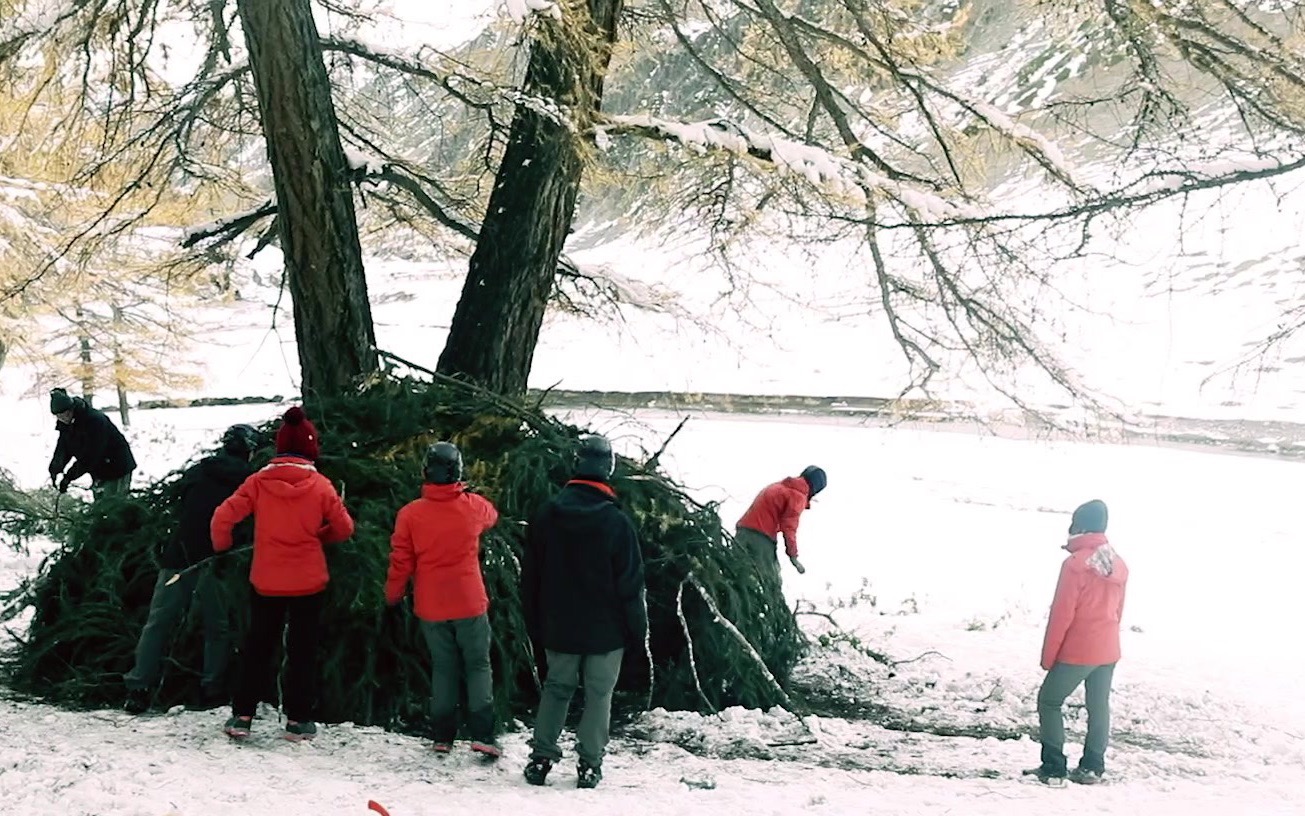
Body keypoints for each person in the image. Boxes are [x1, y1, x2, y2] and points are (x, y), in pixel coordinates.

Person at [210, 406, 354, 741]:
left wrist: (223, 548)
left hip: (266, 580)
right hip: (308, 582)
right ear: (310, 449)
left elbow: (222, 518)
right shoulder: (321, 486)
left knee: (258, 645)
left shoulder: (258, 482)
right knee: (302, 650)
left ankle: (242, 716)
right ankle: (297, 721)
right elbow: (344, 528)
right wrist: (321, 536)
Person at [520, 434, 647, 789]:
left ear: (577, 464)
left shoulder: (547, 513)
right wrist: (637, 632)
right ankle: (589, 765)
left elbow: (530, 576)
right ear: (609, 469)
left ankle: (541, 757)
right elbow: (631, 585)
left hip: (558, 625)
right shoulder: (617, 523)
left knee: (557, 688)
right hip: (606, 632)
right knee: (598, 696)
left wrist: (535, 622)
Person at [123, 424, 258, 714]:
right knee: (217, 626)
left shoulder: (199, 470)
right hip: (214, 560)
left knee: (158, 623)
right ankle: (212, 689)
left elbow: (181, 506)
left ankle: (138, 688)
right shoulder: (249, 481)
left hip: (178, 556)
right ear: (249, 450)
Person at [385, 441, 501, 757]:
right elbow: (492, 515)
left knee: (444, 668)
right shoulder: (473, 506)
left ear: (426, 472)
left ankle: (443, 736)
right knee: (477, 665)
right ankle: (483, 735)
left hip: (431, 605)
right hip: (469, 601)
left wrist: (393, 595)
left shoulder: (410, 515)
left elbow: (401, 561)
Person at [1026, 499, 1129, 786]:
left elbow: (1061, 615)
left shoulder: (1074, 565)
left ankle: (1054, 767)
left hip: (1079, 649)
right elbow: (1119, 611)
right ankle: (1093, 767)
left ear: (1079, 526)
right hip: (1108, 648)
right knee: (1098, 706)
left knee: (1049, 701)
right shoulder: (1118, 563)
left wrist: (1049, 658)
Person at [735, 465, 827, 581]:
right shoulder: (797, 495)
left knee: (736, 571)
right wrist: (793, 556)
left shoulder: (781, 486)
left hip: (743, 530)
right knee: (771, 581)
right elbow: (789, 527)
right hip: (761, 537)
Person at [47, 387, 136, 499]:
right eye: (58, 416)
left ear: (71, 409)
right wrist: (55, 469)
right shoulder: (66, 425)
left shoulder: (94, 420)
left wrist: (69, 477)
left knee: (113, 506)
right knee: (100, 507)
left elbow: (91, 454)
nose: (61, 418)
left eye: (63, 414)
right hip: (98, 470)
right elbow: (63, 448)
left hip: (116, 466)